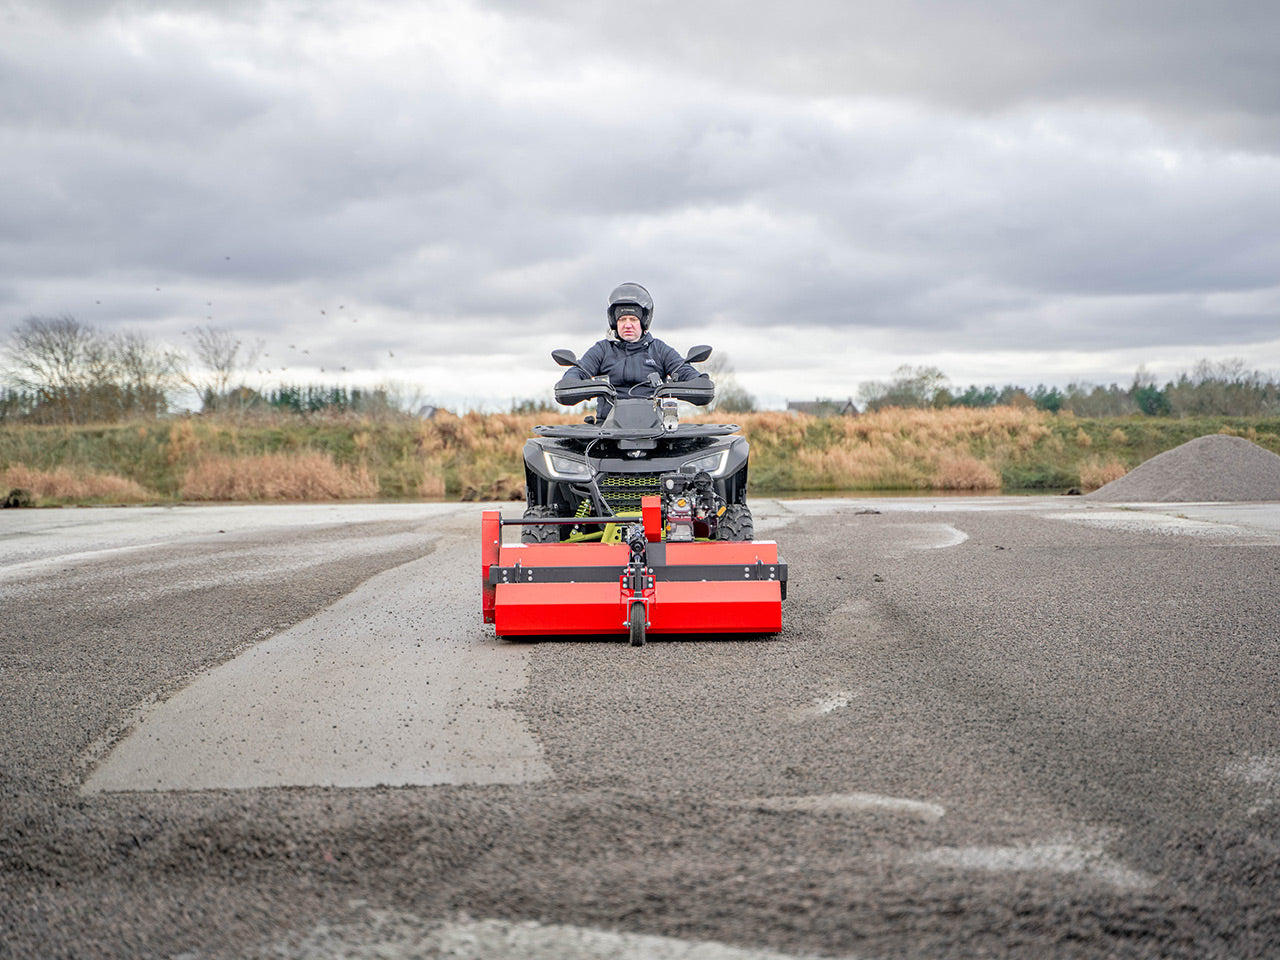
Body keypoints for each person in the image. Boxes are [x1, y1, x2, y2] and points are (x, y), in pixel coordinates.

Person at [560, 282, 711, 420]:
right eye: (622, 319)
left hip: (657, 431)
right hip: (606, 431)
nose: (627, 325)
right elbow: (579, 370)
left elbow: (684, 370)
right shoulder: (602, 350)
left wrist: (699, 382)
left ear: (643, 322)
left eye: (633, 319)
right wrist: (571, 381)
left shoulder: (659, 350)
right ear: (614, 322)